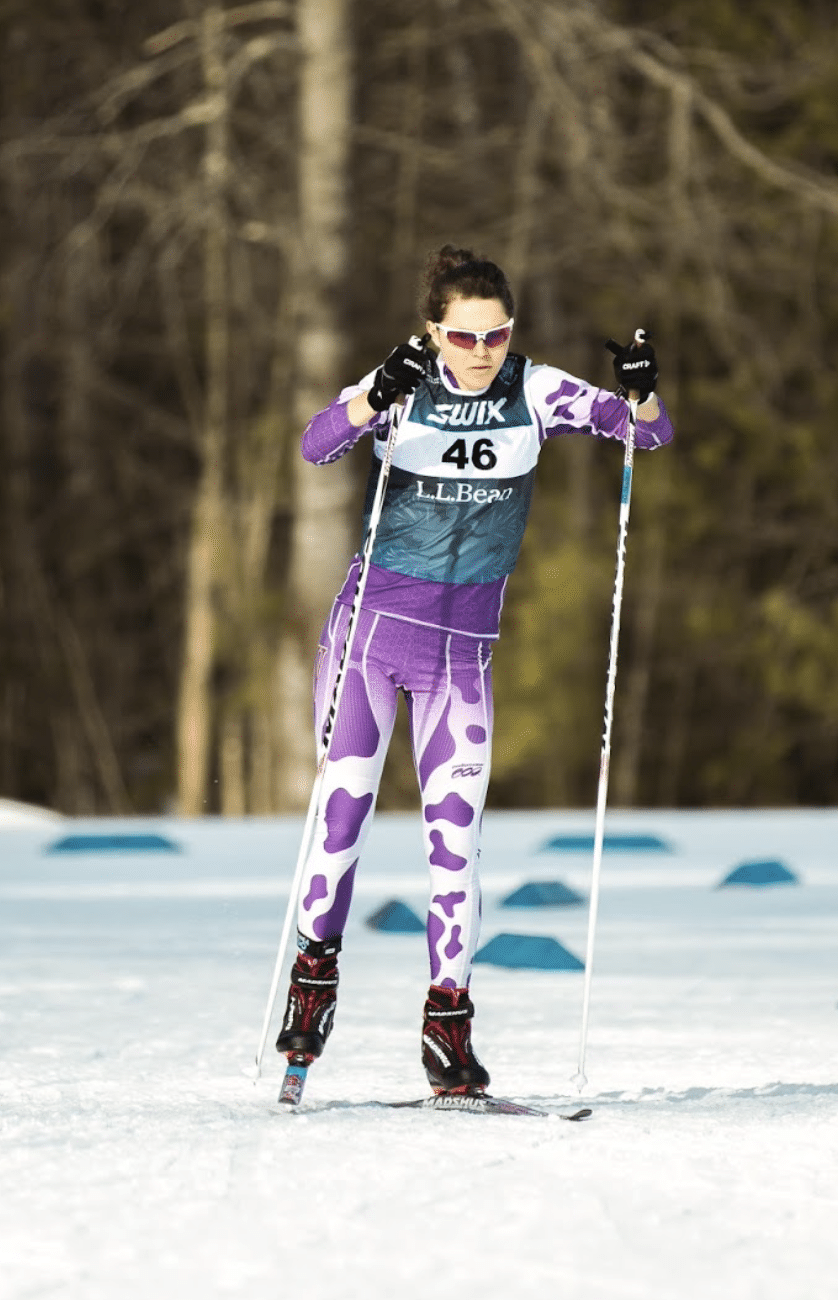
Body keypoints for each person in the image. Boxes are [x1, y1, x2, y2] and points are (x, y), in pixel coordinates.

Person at [276, 244, 673, 1095]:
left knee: (454, 848)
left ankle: (447, 1036)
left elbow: (649, 431)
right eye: (463, 338)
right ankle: (311, 993)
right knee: (341, 824)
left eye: (496, 336)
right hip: (370, 642)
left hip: (461, 655)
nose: (481, 353)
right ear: (434, 330)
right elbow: (315, 446)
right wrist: (368, 397)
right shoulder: (406, 383)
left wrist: (640, 388)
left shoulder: (535, 390)